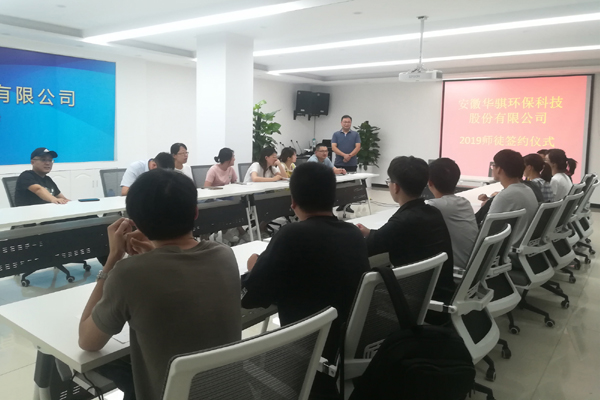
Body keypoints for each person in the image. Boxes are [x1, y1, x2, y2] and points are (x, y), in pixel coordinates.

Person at [78, 169, 241, 400]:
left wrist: (113, 259)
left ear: (136, 223)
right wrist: (153, 253)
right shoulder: (225, 254)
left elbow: (87, 341)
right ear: (195, 212)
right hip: (228, 392)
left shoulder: (128, 274)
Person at [241, 162, 369, 398]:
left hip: (304, 353)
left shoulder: (291, 235)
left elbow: (252, 297)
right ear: (333, 198)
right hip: (341, 344)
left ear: (293, 202)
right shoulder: (353, 234)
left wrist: (254, 267)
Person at [356, 156, 455, 322]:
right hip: (439, 294)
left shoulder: (402, 221)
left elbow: (365, 249)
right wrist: (371, 232)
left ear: (395, 187)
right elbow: (388, 236)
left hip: (416, 302)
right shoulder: (432, 212)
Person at [426, 158, 478, 270]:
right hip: (472, 267)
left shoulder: (434, 207)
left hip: (454, 271)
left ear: (429, 182)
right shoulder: (465, 203)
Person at [485, 150, 539, 246]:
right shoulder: (527, 190)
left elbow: (487, 230)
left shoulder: (505, 196)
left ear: (499, 169)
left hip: (504, 247)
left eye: (494, 166)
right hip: (520, 244)